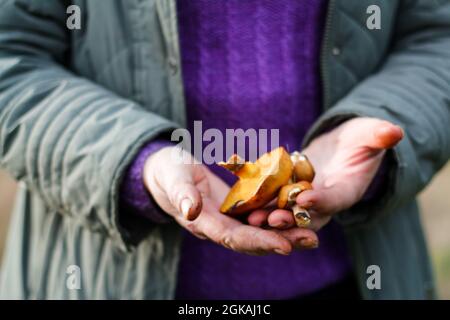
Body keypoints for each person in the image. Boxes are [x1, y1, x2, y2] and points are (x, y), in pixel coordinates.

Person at [0, 0, 449, 300]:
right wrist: (136, 162)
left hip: (357, 276)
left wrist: (377, 145)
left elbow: (437, 36)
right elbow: (11, 58)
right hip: (105, 280)